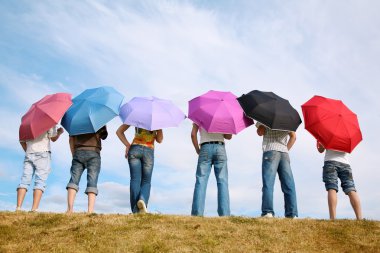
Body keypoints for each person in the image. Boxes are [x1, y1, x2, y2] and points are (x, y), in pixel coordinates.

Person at [116, 125, 163, 214]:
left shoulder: (135, 115)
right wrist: (159, 127)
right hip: (149, 151)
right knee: (146, 181)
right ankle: (142, 200)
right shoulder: (156, 120)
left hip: (134, 149)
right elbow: (159, 140)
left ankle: (135, 210)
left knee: (135, 180)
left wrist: (127, 145)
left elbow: (119, 132)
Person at [16, 126, 64, 212]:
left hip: (29, 153)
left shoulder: (25, 125)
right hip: (43, 153)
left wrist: (28, 151)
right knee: (40, 181)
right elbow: (53, 138)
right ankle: (34, 209)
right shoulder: (49, 122)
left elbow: (22, 142)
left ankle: (18, 207)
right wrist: (59, 132)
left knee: (24, 180)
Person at [256, 122, 298, 218]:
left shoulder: (265, 115)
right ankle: (292, 214)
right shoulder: (287, 118)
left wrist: (261, 124)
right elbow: (293, 137)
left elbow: (260, 132)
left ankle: (267, 212)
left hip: (270, 150)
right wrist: (286, 149)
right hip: (284, 152)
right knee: (289, 184)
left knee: (268, 183)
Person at [191, 123, 232, 216]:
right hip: (220, 147)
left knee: (201, 180)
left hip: (205, 147)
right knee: (222, 181)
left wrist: (197, 149)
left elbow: (193, 134)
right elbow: (229, 136)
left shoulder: (199, 114)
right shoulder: (223, 115)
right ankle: (224, 214)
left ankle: (197, 213)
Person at [66, 125, 108, 214]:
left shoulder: (76, 121)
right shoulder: (99, 120)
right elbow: (104, 136)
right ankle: (90, 211)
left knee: (73, 180)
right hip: (94, 153)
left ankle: (69, 210)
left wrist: (74, 154)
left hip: (78, 151)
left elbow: (71, 139)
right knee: (92, 181)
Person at [317, 142, 362, 220]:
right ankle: (360, 218)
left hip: (330, 162)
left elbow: (320, 150)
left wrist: (322, 145)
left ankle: (332, 218)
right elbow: (348, 150)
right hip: (345, 164)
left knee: (332, 188)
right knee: (351, 189)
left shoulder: (324, 133)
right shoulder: (346, 133)